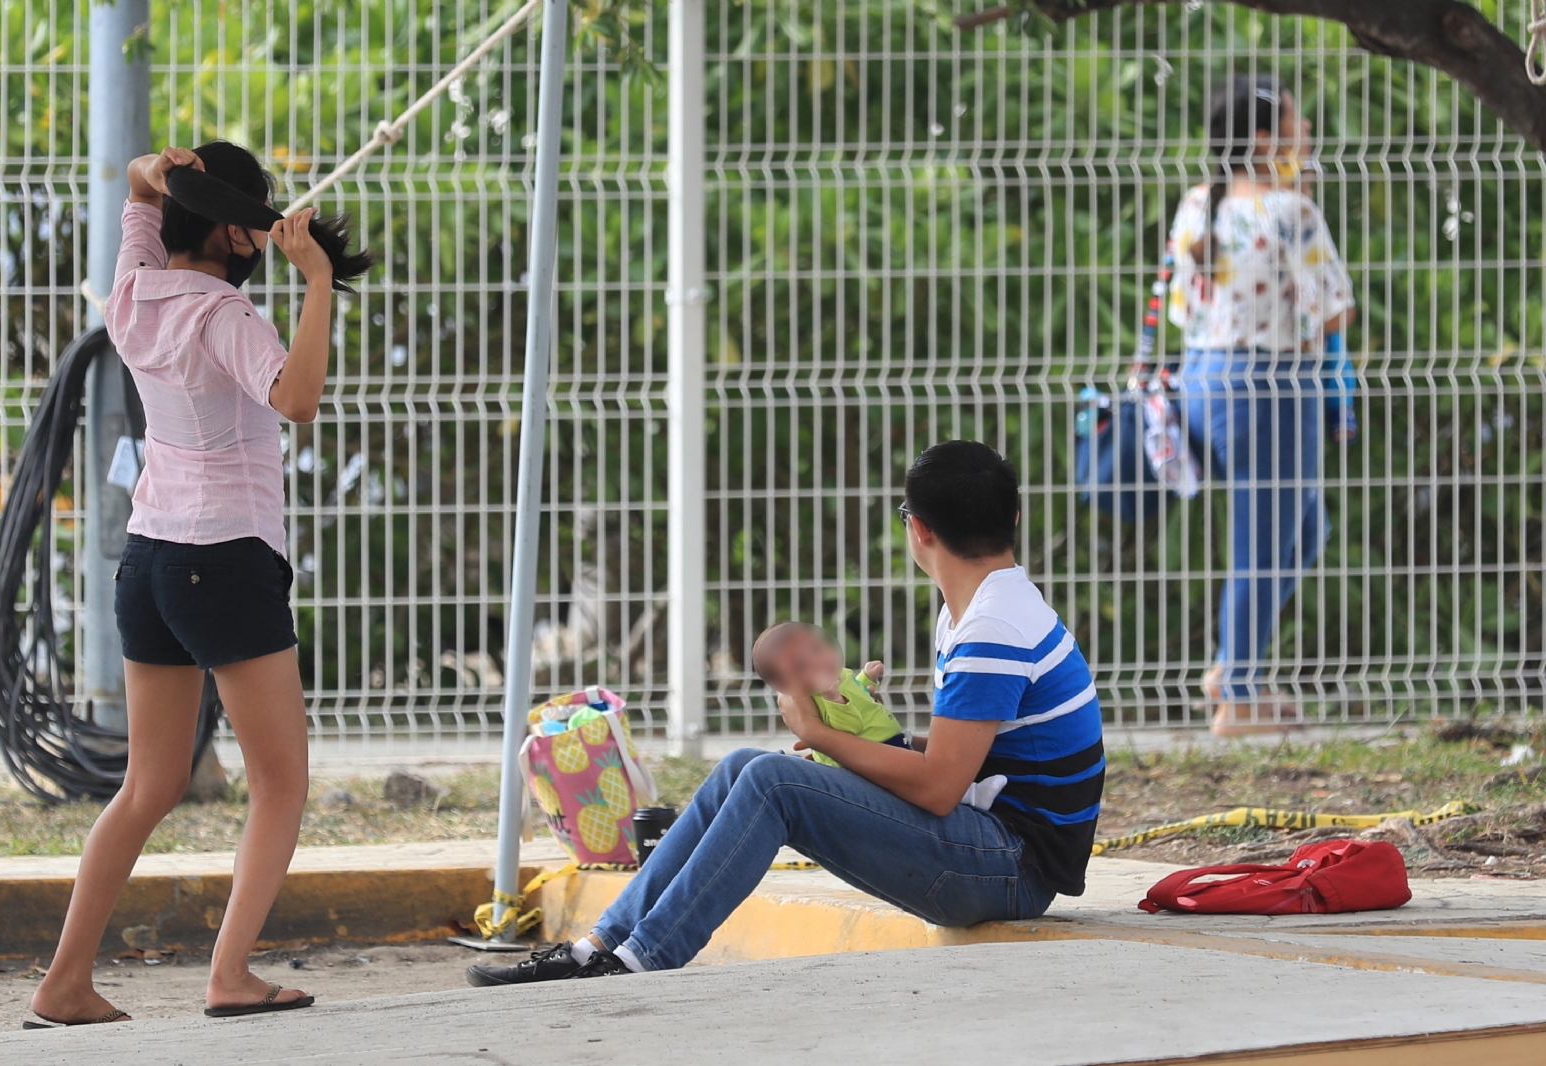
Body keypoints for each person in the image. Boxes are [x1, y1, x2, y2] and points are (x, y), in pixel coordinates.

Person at [465, 440, 1105, 985]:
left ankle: (640, 959)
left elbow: (939, 788)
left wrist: (818, 732)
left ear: (920, 529)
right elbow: (958, 768)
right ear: (1014, 517)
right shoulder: (979, 607)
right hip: (989, 841)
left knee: (775, 782)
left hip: (1006, 868)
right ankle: (600, 947)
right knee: (744, 765)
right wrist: (858, 740)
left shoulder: (992, 627)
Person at [29, 142, 371, 1026]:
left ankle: (66, 981)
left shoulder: (134, 290)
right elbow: (296, 398)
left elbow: (137, 190)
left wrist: (158, 168)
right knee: (281, 784)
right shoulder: (224, 316)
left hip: (148, 559)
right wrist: (318, 284)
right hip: (223, 558)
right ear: (233, 230)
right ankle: (230, 974)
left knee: (147, 785)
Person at [1166, 73, 1355, 736]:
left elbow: (1183, 306)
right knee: (1266, 540)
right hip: (1271, 386)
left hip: (1202, 381)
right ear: (1267, 138)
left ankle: (1229, 669)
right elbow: (1337, 312)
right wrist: (1302, 198)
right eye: (1300, 126)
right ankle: (1238, 696)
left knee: (1299, 531)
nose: (1308, 136)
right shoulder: (1290, 210)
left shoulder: (1197, 204)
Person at [750, 622, 906, 767]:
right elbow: (849, 731)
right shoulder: (820, 698)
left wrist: (866, 678)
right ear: (785, 686)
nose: (819, 661)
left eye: (817, 648)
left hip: (889, 746)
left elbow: (855, 693)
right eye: (801, 666)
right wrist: (834, 699)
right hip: (871, 760)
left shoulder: (838, 677)